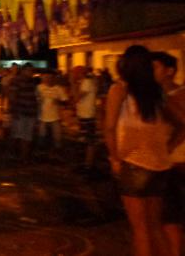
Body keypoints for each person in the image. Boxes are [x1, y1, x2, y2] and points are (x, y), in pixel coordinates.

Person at [104, 45, 173, 256]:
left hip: (133, 165)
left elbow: (109, 127)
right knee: (155, 226)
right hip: (160, 166)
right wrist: (167, 146)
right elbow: (180, 123)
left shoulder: (119, 89)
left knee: (140, 229)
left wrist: (114, 158)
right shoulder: (157, 91)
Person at [151, 52, 185, 256]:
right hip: (164, 163)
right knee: (169, 216)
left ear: (170, 71)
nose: (150, 72)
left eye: (155, 67)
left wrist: (169, 146)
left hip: (178, 161)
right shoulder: (154, 97)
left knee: (171, 215)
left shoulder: (179, 95)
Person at [8, 64, 38, 162]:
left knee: (27, 136)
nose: (31, 73)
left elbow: (35, 97)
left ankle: (24, 156)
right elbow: (12, 96)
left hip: (30, 112)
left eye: (32, 71)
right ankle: (17, 155)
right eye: (29, 71)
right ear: (23, 71)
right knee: (19, 135)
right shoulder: (16, 81)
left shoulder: (32, 82)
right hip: (20, 111)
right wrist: (14, 110)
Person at [36, 70, 68, 160]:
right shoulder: (39, 88)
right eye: (46, 77)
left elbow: (65, 101)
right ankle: (42, 154)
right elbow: (35, 100)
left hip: (55, 117)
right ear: (42, 78)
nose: (48, 79)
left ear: (53, 78)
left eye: (50, 77)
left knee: (57, 137)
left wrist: (59, 101)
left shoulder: (58, 88)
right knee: (41, 137)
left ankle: (56, 155)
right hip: (42, 117)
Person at [73, 66, 98, 173]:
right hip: (85, 115)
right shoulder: (86, 82)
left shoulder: (87, 82)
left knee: (89, 141)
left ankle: (88, 165)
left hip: (87, 115)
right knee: (86, 140)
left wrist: (72, 83)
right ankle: (87, 164)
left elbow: (76, 98)